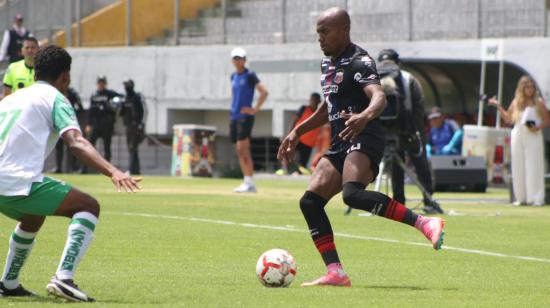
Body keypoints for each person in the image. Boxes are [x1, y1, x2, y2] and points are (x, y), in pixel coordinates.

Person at [277, 7, 445, 287]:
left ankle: (425, 223)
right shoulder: (327, 63)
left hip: (365, 135)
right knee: (310, 202)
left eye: (325, 32)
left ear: (344, 30)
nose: (320, 38)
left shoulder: (360, 61)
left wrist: (363, 116)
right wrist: (297, 130)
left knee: (352, 195)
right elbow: (326, 106)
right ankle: (336, 272)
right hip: (340, 140)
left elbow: (379, 98)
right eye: (318, 32)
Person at [0, 45, 140, 302]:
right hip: (14, 181)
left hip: (5, 183)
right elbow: (75, 141)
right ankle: (63, 278)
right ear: (65, 77)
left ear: (34, 73)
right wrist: (113, 171)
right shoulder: (55, 99)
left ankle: (8, 283)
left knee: (33, 216)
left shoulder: (9, 100)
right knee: (88, 205)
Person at [377, 49, 442, 214]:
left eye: (390, 64)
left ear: (398, 64)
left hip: (411, 128)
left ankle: (428, 200)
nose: (388, 69)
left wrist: (413, 130)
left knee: (421, 164)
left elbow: (418, 107)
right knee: (396, 168)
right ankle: (399, 203)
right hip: (389, 129)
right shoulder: (375, 80)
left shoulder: (408, 80)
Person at [489, 76, 550, 206]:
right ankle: (520, 197)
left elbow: (547, 120)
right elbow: (508, 118)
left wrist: (538, 127)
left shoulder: (538, 102)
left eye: (532, 87)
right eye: (527, 87)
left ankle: (535, 197)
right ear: (522, 89)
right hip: (518, 133)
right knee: (518, 165)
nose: (530, 90)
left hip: (533, 134)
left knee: (533, 165)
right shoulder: (517, 102)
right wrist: (498, 106)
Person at [229, 47, 268, 193]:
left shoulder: (250, 75)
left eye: (240, 58)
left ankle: (249, 182)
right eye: (235, 58)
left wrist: (254, 109)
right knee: (240, 151)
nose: (238, 61)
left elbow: (264, 92)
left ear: (244, 60)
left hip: (245, 117)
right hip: (234, 116)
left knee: (242, 149)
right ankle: (247, 180)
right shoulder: (233, 76)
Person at [276, 93, 322, 175]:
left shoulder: (321, 113)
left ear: (319, 101)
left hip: (309, 143)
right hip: (298, 137)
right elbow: (294, 122)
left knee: (302, 163)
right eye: (311, 99)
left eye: (315, 100)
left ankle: (296, 172)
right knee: (286, 151)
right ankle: (284, 169)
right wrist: (288, 135)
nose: (312, 102)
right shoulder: (303, 109)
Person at [82, 76, 120, 173]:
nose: (101, 84)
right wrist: (89, 124)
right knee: (89, 146)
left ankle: (107, 170)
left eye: (102, 83)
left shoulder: (110, 94)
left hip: (107, 125)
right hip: (96, 125)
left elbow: (119, 99)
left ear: (105, 84)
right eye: (99, 83)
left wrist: (112, 105)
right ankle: (85, 168)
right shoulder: (94, 95)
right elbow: (91, 111)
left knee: (107, 148)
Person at [54, 87, 84, 173]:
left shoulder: (72, 93)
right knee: (59, 147)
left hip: (69, 124)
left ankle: (73, 168)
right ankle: (58, 168)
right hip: (58, 123)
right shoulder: (56, 92)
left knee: (72, 146)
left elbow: (80, 107)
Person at [119, 79, 145, 175]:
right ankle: (136, 170)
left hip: (135, 127)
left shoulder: (137, 97)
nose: (126, 88)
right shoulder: (125, 98)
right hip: (128, 127)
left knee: (132, 147)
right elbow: (121, 113)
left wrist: (141, 124)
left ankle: (130, 169)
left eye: (127, 86)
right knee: (132, 149)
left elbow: (143, 111)